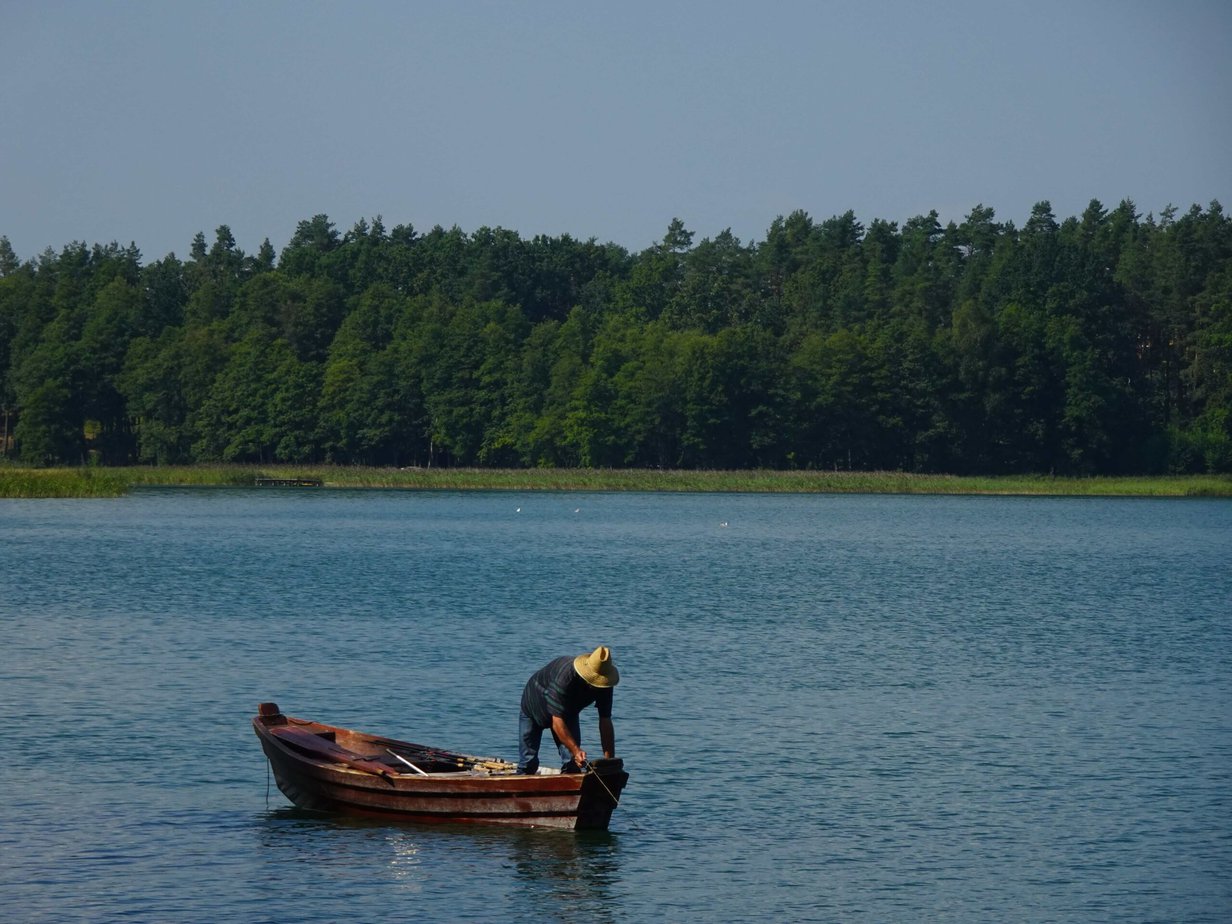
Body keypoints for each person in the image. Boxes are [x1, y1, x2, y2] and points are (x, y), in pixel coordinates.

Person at [517, 645, 618, 774]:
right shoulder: (566, 677)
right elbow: (557, 722)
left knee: (572, 764)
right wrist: (576, 750)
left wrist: (609, 763)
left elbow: (605, 721)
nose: (598, 685)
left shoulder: (605, 684)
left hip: (567, 712)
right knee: (528, 763)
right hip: (534, 705)